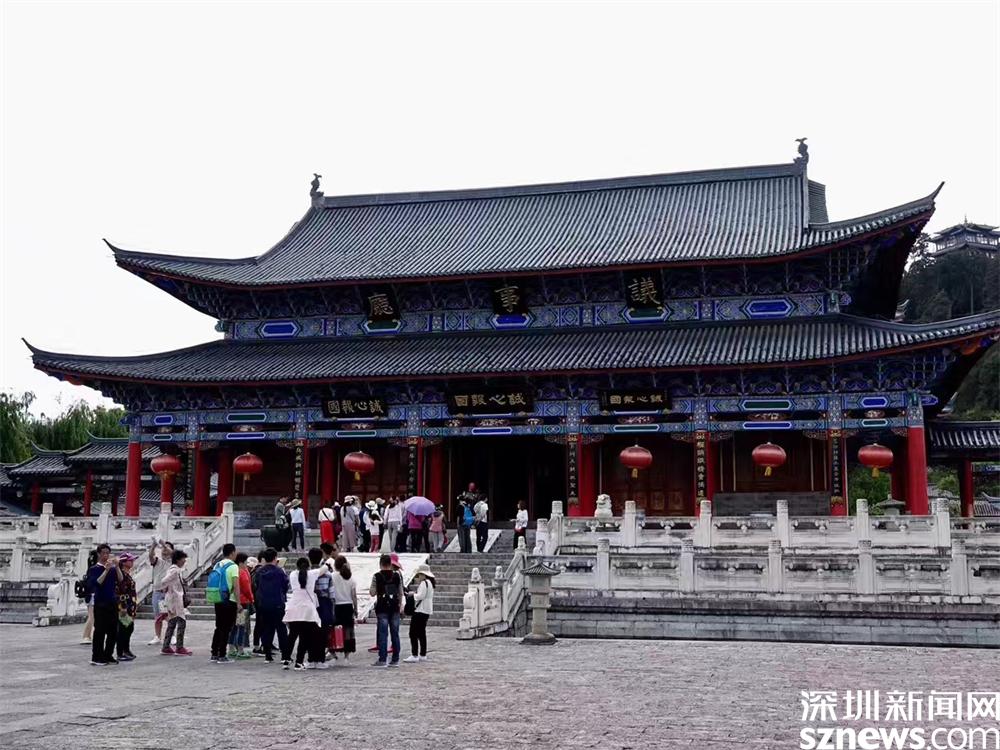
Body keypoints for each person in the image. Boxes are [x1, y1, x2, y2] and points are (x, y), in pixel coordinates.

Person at [282, 557, 321, 671]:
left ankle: (286, 659)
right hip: (307, 610)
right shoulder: (312, 574)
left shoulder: (293, 574)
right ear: (308, 566)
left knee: (292, 636)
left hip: (293, 607)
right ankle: (299, 662)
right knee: (304, 638)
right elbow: (323, 569)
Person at [87, 543, 122, 665]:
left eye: (108, 553)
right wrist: (106, 570)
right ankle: (97, 656)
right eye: (103, 553)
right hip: (100, 602)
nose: (106, 555)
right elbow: (98, 583)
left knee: (113, 631)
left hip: (112, 602)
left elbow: (120, 579)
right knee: (100, 630)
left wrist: (117, 567)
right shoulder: (94, 569)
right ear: (99, 554)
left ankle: (108, 654)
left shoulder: (112, 569)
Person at [254, 547, 290, 664]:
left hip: (263, 604)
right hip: (277, 603)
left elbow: (256, 585)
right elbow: (285, 585)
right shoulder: (279, 571)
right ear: (275, 558)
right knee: (281, 629)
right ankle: (285, 655)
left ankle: (268, 655)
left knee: (267, 628)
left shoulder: (259, 572)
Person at [369, 553, 404, 667]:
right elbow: (400, 592)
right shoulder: (397, 576)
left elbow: (372, 592)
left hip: (382, 607)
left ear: (380, 564)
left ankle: (383, 659)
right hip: (394, 607)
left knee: (383, 634)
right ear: (390, 564)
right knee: (395, 634)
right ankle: (395, 659)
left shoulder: (377, 576)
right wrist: (400, 605)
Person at [209, 543, 240, 664]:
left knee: (219, 626)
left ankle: (214, 653)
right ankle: (222, 654)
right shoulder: (233, 566)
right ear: (232, 552)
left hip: (218, 597)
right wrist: (239, 603)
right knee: (226, 628)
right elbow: (236, 586)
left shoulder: (217, 564)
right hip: (229, 599)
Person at [160, 548, 192, 656]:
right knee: (181, 623)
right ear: (178, 559)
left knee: (172, 623)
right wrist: (167, 587)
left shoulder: (173, 569)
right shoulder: (175, 571)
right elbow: (164, 581)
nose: (184, 561)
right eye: (183, 559)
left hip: (172, 600)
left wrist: (167, 588)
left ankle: (166, 646)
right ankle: (179, 647)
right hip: (175, 600)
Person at [403, 563, 435, 663]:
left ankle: (414, 654)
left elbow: (420, 596)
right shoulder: (430, 583)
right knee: (421, 633)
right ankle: (422, 654)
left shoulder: (424, 583)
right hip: (427, 610)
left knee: (413, 633)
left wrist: (412, 595)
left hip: (420, 610)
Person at [308, 547, 333, 669]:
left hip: (310, 603)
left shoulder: (305, 573)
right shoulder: (327, 574)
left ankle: (311, 659)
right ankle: (320, 659)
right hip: (324, 603)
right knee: (323, 632)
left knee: (310, 632)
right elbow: (332, 594)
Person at [147, 539, 174, 645]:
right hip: (157, 592)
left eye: (167, 548)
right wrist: (154, 545)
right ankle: (157, 636)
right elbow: (150, 556)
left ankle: (172, 635)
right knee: (158, 616)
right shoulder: (157, 561)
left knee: (170, 615)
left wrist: (163, 544)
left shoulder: (173, 562)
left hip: (169, 592)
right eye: (163, 548)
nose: (164, 550)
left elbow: (174, 554)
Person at [227, 553, 254, 659]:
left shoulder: (234, 571)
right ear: (241, 562)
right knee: (241, 626)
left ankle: (231, 648)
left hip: (233, 600)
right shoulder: (242, 572)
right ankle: (240, 649)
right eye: (246, 562)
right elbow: (247, 588)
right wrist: (251, 599)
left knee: (234, 625)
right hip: (243, 602)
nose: (247, 564)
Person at [331, 556, 358, 659]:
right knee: (348, 630)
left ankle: (333, 651)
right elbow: (354, 595)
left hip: (336, 606)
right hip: (348, 606)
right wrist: (356, 608)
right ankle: (346, 655)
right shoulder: (350, 577)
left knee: (334, 629)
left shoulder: (332, 576)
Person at [115, 553, 138, 662]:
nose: (132, 562)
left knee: (129, 628)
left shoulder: (127, 574)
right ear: (124, 562)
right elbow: (121, 591)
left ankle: (126, 649)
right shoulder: (121, 574)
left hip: (130, 605)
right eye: (130, 560)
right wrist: (123, 606)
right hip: (124, 605)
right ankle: (120, 652)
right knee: (123, 629)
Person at [80, 547, 98, 645]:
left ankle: (88, 636)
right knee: (92, 617)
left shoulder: (93, 569)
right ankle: (86, 636)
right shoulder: (93, 570)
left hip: (93, 595)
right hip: (92, 595)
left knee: (93, 616)